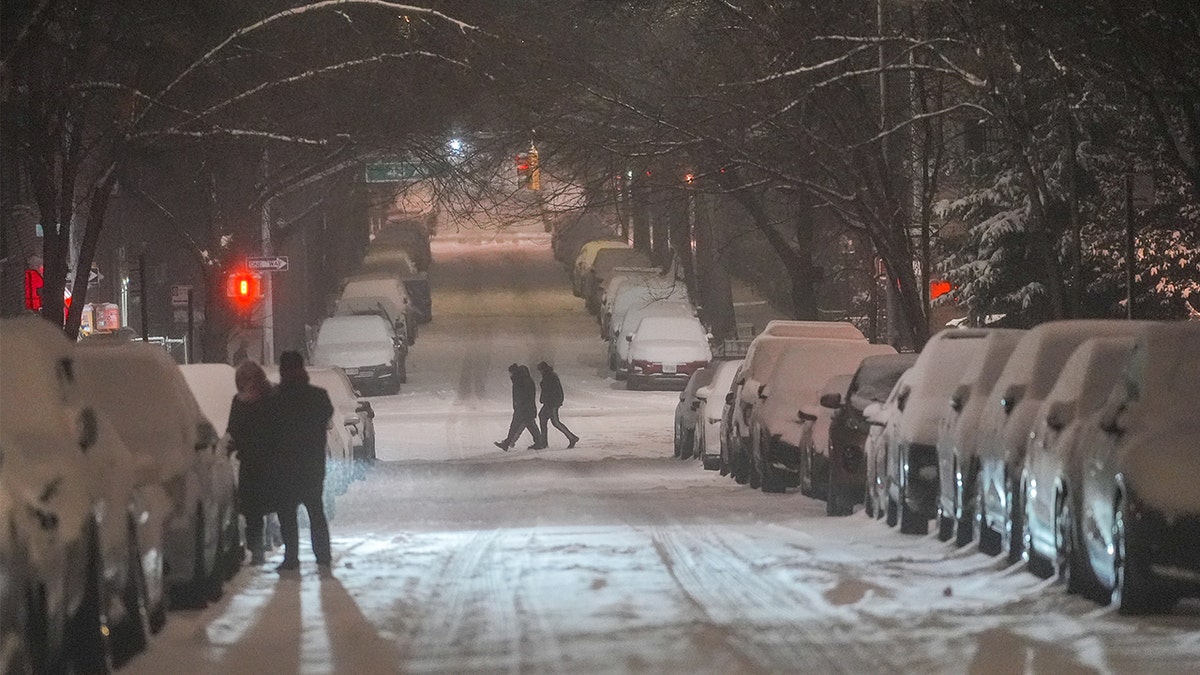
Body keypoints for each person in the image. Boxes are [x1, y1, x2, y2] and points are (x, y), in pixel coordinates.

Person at [272, 350, 335, 576]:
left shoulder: (276, 398)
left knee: (287, 514)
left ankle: (291, 557)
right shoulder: (318, 397)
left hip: (284, 466)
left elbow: (269, 430)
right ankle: (323, 555)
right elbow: (326, 417)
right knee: (315, 511)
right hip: (311, 465)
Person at [226, 360, 278, 565]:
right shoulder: (241, 402)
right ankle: (257, 549)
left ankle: (270, 541)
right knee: (253, 510)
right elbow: (233, 430)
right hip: (252, 462)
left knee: (267, 506)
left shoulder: (272, 398)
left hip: (268, 462)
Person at [495, 363, 543, 450]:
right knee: (530, 425)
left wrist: (518, 404)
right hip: (527, 407)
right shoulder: (526, 379)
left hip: (523, 408)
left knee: (516, 426)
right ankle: (539, 442)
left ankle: (507, 443)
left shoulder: (519, 381)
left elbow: (521, 395)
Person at [536, 361, 580, 448]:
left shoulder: (549, 377)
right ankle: (544, 441)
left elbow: (549, 391)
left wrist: (546, 400)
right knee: (545, 418)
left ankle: (571, 437)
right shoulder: (550, 376)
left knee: (555, 422)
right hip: (550, 402)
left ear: (542, 369)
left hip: (551, 403)